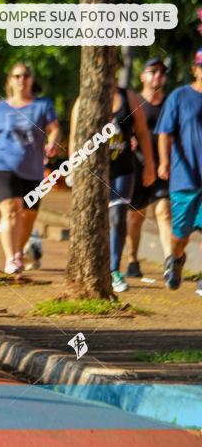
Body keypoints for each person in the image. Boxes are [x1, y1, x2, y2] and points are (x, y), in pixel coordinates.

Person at [71, 82, 155, 292]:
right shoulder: (84, 98)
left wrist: (149, 164)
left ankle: (114, 269)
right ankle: (91, 267)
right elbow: (75, 137)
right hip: (93, 172)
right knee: (94, 219)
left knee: (118, 217)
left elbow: (143, 132)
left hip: (124, 169)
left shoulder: (128, 96)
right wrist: (72, 167)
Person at [0, 63, 59, 275]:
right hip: (2, 164)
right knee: (10, 208)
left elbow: (54, 129)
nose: (21, 80)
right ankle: (12, 258)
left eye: (25, 75)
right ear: (10, 81)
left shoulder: (43, 105)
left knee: (28, 215)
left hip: (33, 169)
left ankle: (18, 251)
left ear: (31, 79)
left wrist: (52, 142)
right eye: (16, 76)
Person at [155, 48, 202, 297]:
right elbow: (165, 131)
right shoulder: (179, 96)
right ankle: (176, 258)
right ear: (195, 69)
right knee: (180, 233)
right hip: (185, 176)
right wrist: (163, 162)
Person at [126, 58, 172, 278]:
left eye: (162, 73)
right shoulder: (134, 102)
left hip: (165, 167)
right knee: (136, 216)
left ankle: (170, 263)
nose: (158, 76)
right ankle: (132, 261)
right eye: (153, 71)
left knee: (164, 211)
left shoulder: (170, 103)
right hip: (137, 166)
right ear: (142, 76)